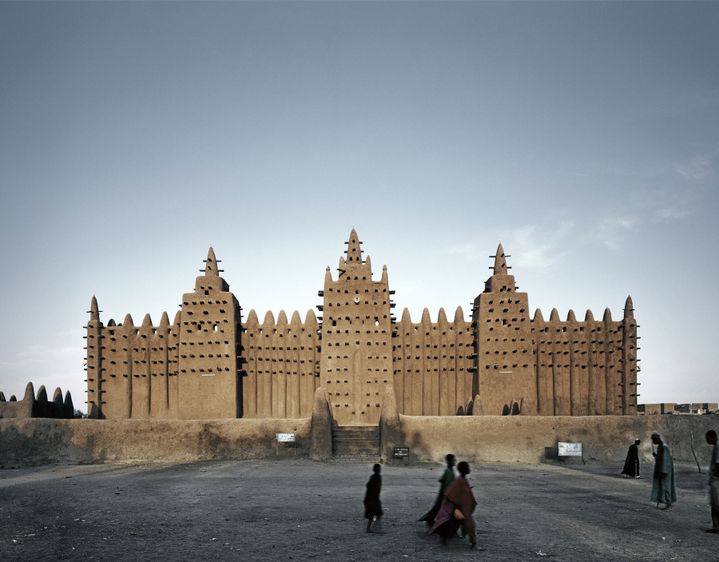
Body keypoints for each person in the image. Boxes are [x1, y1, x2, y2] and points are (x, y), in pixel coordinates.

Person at [431, 460, 477, 549]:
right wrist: (454, 509)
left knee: (455, 524)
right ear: (463, 470)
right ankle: (473, 543)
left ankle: (445, 538)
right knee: (468, 524)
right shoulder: (459, 481)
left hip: (462, 508)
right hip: (458, 509)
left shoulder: (463, 480)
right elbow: (449, 494)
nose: (469, 469)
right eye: (467, 468)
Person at [418, 454, 456, 526]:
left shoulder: (449, 471)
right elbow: (447, 485)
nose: (455, 461)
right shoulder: (448, 472)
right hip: (446, 495)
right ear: (449, 461)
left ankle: (432, 521)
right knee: (443, 510)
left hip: (446, 495)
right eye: (453, 460)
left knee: (438, 509)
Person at [650, 432, 676, 510]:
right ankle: (666, 502)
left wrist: (663, 472)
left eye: (653, 440)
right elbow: (661, 459)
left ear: (656, 439)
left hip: (665, 471)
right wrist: (656, 456)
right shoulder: (660, 447)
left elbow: (665, 460)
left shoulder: (664, 447)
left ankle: (669, 504)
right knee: (663, 487)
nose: (653, 442)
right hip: (661, 470)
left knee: (667, 488)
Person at [705, 430, 719, 533]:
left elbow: (718, 464)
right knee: (714, 504)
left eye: (707, 438)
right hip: (715, 479)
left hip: (717, 480)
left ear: (711, 437)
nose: (706, 440)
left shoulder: (718, 446)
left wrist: (714, 478)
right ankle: (716, 526)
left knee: (716, 504)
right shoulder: (716, 445)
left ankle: (717, 527)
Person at [364, 463, 383, 533]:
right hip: (372, 498)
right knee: (373, 514)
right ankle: (374, 528)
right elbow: (373, 488)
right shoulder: (377, 477)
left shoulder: (374, 477)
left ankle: (373, 528)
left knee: (376, 513)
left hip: (372, 498)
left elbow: (368, 485)